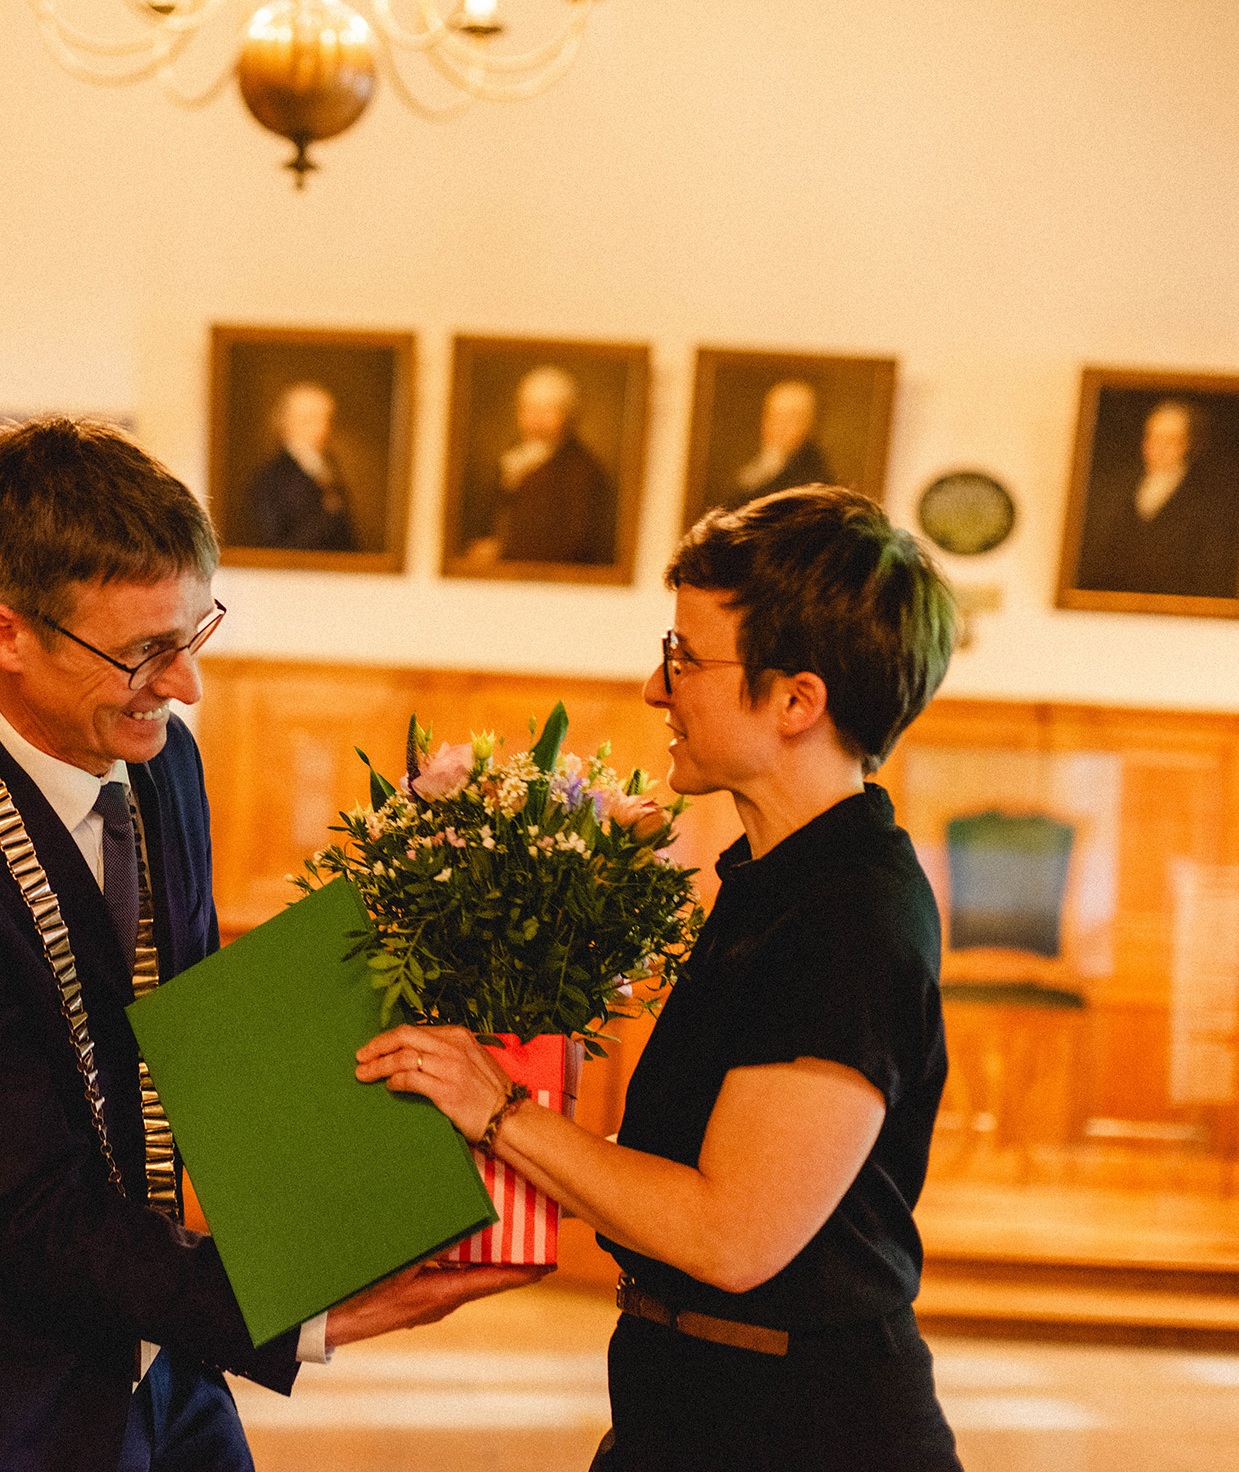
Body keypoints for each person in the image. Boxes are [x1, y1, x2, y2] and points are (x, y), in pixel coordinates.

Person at [0, 415, 533, 1472]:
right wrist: (313, 1313)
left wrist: (377, 1166)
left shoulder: (162, 765)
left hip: (159, 1359)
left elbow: (187, 1030)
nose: (186, 684)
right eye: (146, 652)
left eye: (194, 633)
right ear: (5, 633)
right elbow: (27, 1208)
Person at [358, 484, 964, 1471]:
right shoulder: (777, 877)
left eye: (685, 655)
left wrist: (501, 1110)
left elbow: (732, 1234)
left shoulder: (850, 915)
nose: (654, 683)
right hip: (696, 1402)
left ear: (798, 699)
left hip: (802, 1428)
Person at [1072, 397, 1239, 600]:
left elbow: (1210, 574)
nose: (1159, 448)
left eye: (1170, 440)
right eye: (1153, 438)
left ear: (1188, 444)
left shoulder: (1209, 499)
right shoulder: (1119, 487)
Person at [464, 365, 616, 565]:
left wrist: (504, 551)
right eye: (529, 410)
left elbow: (575, 544)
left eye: (547, 412)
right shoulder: (512, 458)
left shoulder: (583, 470)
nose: (535, 421)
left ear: (568, 416)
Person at [244, 381, 356, 550]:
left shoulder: (331, 467)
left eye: (325, 419)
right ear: (287, 424)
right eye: (310, 420)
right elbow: (274, 545)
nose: (322, 428)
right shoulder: (271, 477)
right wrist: (328, 516)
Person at [707, 379, 832, 513]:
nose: (779, 427)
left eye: (790, 419)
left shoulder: (811, 478)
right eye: (774, 417)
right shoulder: (762, 466)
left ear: (808, 425)